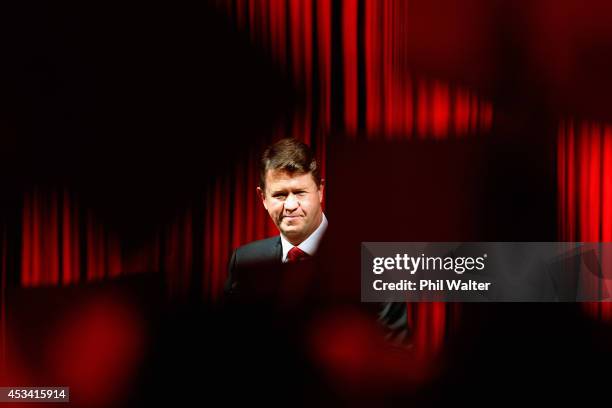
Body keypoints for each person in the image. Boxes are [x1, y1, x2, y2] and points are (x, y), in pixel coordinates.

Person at [225, 138, 328, 298]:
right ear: (263, 198)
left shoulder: (367, 254)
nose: (291, 205)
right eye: (280, 195)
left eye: (300, 192)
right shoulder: (244, 261)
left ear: (320, 191)